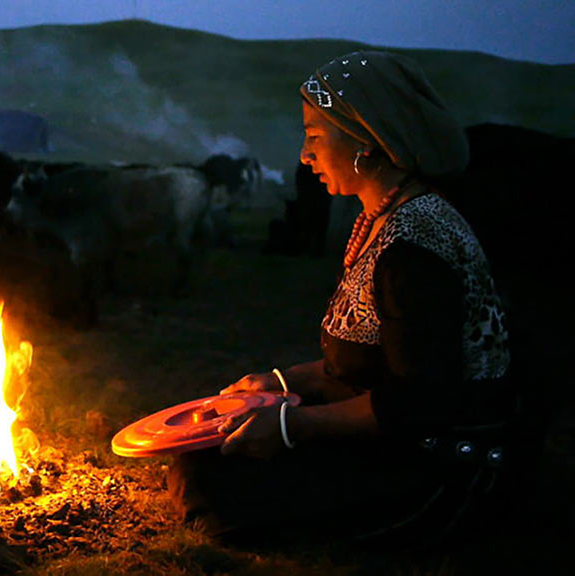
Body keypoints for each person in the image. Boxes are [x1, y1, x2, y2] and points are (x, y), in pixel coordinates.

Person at [167, 50, 517, 549]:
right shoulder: (381, 217)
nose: (305, 156)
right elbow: (369, 357)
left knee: (221, 489)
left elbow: (420, 402)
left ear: (367, 142)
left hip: (434, 463)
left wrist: (292, 425)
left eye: (314, 136)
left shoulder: (414, 246)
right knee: (209, 453)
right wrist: (282, 382)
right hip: (388, 431)